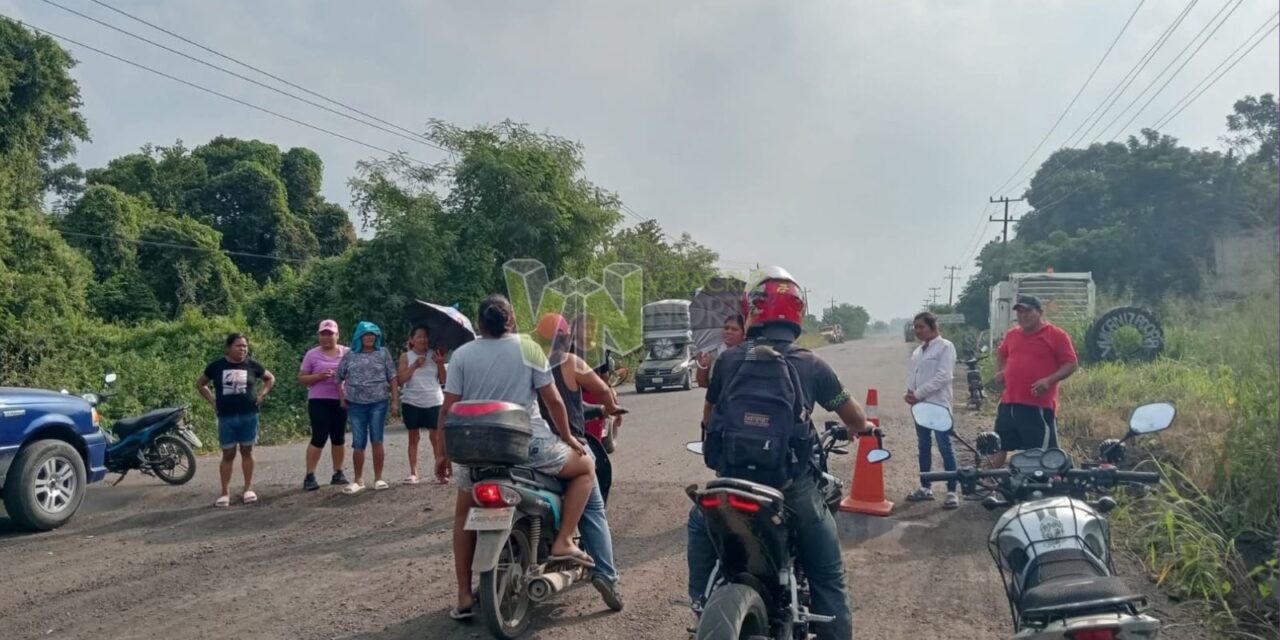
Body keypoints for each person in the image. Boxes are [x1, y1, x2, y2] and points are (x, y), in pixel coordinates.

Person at [690, 267, 864, 640]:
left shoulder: (728, 360)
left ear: (752, 310)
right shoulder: (812, 364)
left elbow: (709, 417)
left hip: (731, 477)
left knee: (698, 523)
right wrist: (858, 430)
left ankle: (698, 601)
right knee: (828, 575)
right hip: (789, 484)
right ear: (797, 313)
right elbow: (855, 417)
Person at [434, 295, 598, 621]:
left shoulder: (463, 354)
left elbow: (448, 408)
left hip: (475, 451)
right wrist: (567, 437)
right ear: (511, 321)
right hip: (527, 445)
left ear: (479, 324)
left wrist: (443, 452)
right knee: (585, 467)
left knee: (463, 517)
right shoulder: (529, 348)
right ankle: (565, 539)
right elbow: (553, 401)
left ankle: (464, 595)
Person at [535, 313, 626, 612]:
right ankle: (607, 575)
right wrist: (612, 407)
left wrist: (598, 408)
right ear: (566, 337)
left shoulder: (529, 363)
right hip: (566, 447)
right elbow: (601, 389)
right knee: (594, 510)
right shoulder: (571, 362)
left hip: (529, 447)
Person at [990, 295, 1080, 469]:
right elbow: (1002, 353)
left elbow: (1071, 364)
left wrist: (1048, 380)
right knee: (999, 445)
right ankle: (989, 482)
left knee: (1040, 454)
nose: (1023, 315)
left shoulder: (1055, 335)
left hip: (1037, 405)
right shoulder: (1013, 334)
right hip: (1009, 402)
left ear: (1039, 312)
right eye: (1020, 312)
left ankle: (1040, 489)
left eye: (1028, 311)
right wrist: (1000, 371)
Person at [197, 333, 275, 507]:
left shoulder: (252, 365)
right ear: (228, 347)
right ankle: (225, 493)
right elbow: (200, 384)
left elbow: (270, 378)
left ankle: (248, 488)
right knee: (228, 454)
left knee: (247, 450)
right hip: (226, 416)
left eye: (245, 346)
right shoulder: (216, 366)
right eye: (238, 346)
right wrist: (212, 400)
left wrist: (262, 394)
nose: (242, 349)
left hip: (249, 414)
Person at [903, 311, 960, 509]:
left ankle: (952, 490)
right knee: (923, 446)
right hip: (920, 406)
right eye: (915, 327)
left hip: (938, 405)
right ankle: (925, 487)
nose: (918, 330)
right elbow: (913, 374)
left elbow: (943, 376)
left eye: (921, 327)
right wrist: (910, 392)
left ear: (933, 327)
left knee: (945, 446)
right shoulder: (918, 351)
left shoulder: (945, 347)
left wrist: (918, 393)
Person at [336, 321, 399, 494]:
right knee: (358, 442)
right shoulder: (350, 355)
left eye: (373, 334)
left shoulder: (383, 352)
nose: (370, 337)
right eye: (366, 334)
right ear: (359, 336)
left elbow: (392, 377)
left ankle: (378, 478)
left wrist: (395, 400)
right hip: (355, 404)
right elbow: (338, 377)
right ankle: (358, 480)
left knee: (377, 439)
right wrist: (342, 398)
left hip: (378, 402)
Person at [299, 320, 350, 491]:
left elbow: (355, 373)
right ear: (319, 336)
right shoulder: (312, 355)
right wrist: (318, 377)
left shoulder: (347, 353)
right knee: (319, 436)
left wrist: (342, 377)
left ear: (337, 335)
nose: (327, 338)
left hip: (340, 399)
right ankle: (310, 475)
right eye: (323, 334)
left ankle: (338, 473)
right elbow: (302, 378)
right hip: (318, 399)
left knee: (338, 436)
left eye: (330, 334)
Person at [397, 326, 447, 485]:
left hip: (434, 399)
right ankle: (414, 473)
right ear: (411, 340)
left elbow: (444, 380)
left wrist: (440, 364)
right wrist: (415, 366)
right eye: (419, 336)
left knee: (436, 437)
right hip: (412, 400)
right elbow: (400, 380)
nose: (422, 339)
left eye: (425, 336)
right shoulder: (406, 356)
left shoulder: (435, 354)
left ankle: (440, 471)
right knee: (414, 437)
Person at [694, 313, 745, 388]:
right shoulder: (713, 353)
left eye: (734, 329)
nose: (728, 331)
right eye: (726, 328)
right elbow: (703, 384)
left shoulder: (749, 353)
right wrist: (702, 366)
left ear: (744, 333)